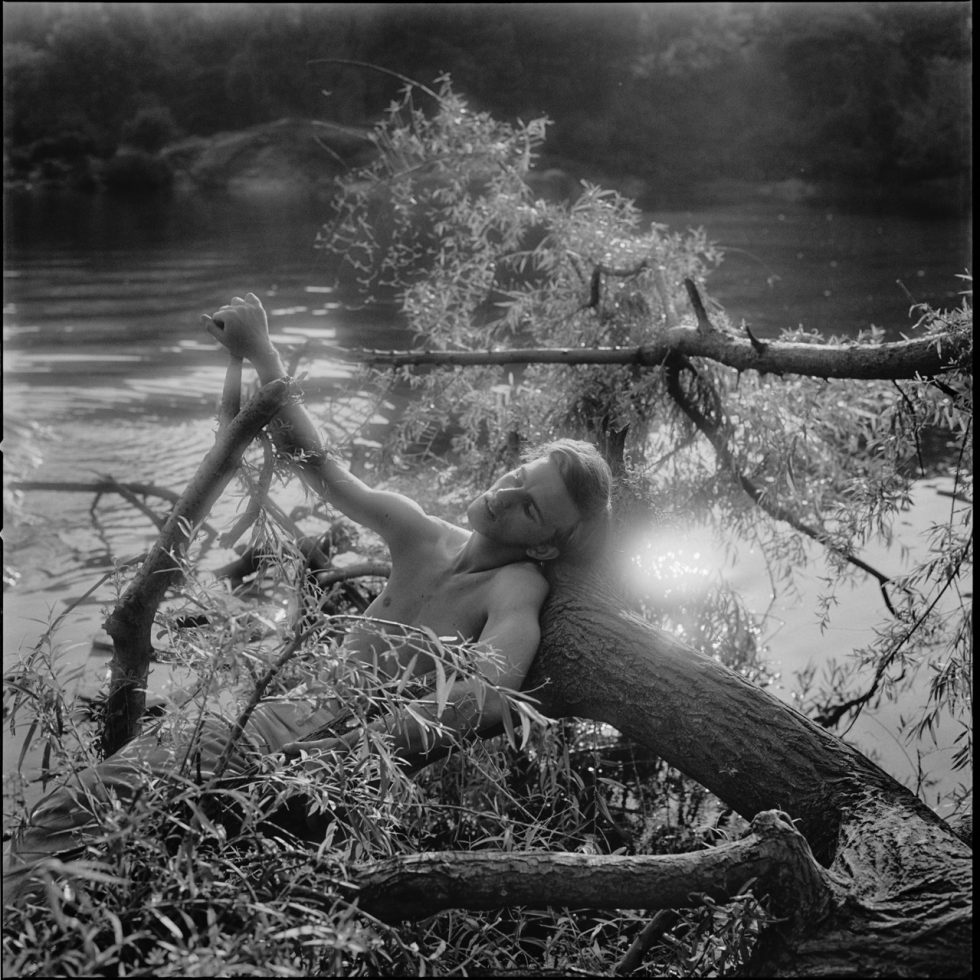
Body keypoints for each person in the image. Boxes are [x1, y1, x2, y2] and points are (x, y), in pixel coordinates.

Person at [5, 293, 612, 874]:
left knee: (73, 817)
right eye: (516, 474)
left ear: (543, 544)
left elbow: (487, 696)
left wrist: (342, 752)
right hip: (275, 723)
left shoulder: (515, 587)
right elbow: (317, 465)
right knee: (92, 828)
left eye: (529, 507)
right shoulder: (421, 533)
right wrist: (263, 354)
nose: (504, 494)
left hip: (316, 767)